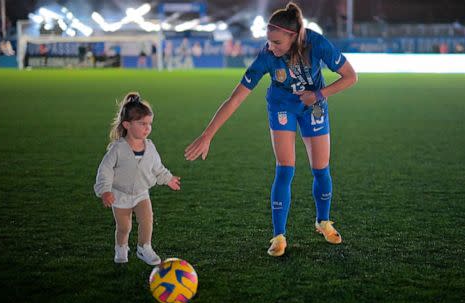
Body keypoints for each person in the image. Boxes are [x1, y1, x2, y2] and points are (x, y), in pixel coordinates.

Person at [184, 2, 357, 257]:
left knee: (321, 168)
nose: (270, 47)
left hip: (313, 105)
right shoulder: (266, 57)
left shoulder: (316, 43)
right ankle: (278, 236)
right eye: (269, 41)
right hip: (282, 106)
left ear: (294, 36)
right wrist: (207, 134)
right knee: (285, 168)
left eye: (277, 42)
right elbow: (235, 98)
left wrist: (318, 94)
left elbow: (351, 76)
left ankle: (323, 221)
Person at [94, 92, 181, 265]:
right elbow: (105, 170)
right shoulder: (117, 149)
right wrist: (104, 191)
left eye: (149, 123)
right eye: (142, 124)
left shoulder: (150, 146)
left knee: (147, 220)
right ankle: (121, 248)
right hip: (120, 195)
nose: (147, 128)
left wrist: (168, 178)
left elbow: (157, 167)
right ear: (127, 124)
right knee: (124, 227)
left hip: (142, 193)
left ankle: (144, 248)